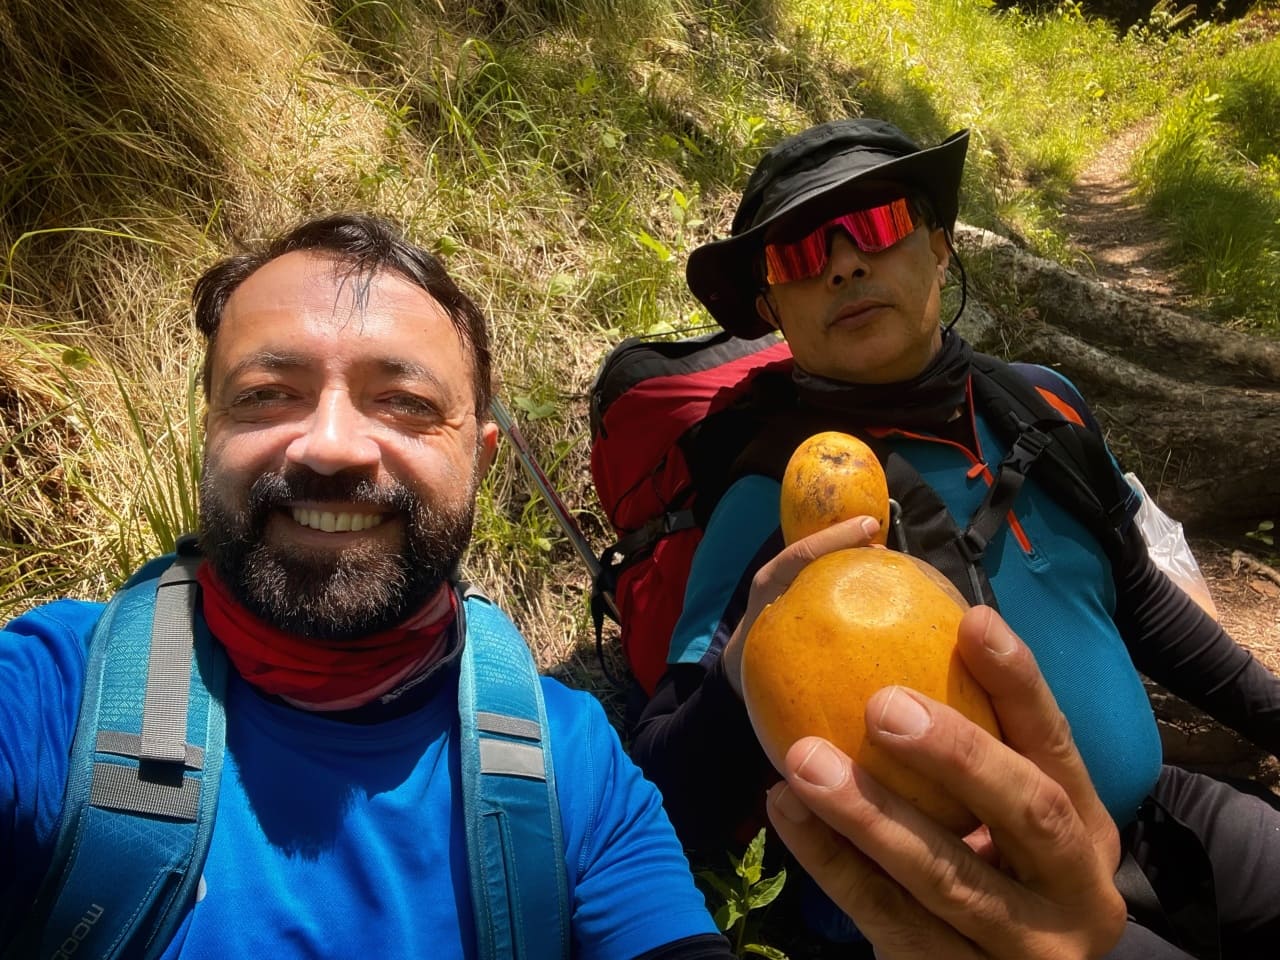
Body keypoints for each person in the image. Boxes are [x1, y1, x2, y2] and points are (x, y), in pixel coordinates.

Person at [0, 212, 1131, 959]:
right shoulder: (46, 702)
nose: (334, 445)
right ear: (207, 436)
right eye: (266, 395)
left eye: (402, 402)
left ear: (482, 461)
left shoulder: (567, 769)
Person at [630, 118, 1280, 958]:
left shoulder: (1043, 403)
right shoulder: (774, 497)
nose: (843, 264)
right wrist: (741, 668)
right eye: (798, 256)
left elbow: (1141, 600)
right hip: (977, 905)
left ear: (939, 247)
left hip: (1161, 816)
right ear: (772, 310)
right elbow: (663, 784)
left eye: (873, 225)